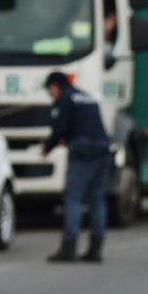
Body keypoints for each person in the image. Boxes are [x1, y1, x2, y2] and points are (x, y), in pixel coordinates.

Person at [42, 71, 112, 263]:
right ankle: (96, 248)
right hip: (103, 150)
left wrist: (47, 148)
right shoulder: (87, 97)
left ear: (56, 85)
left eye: (51, 90)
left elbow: (60, 128)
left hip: (84, 152)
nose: (51, 94)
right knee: (97, 199)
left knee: (73, 198)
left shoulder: (65, 99)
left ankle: (69, 246)